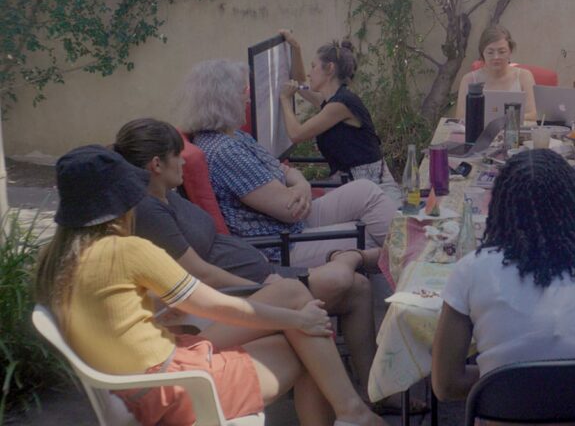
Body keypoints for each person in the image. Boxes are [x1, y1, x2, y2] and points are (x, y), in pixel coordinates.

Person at [34, 145, 386, 426]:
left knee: (293, 295)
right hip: (173, 390)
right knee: (308, 347)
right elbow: (217, 306)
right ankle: (353, 412)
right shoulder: (127, 251)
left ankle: (353, 412)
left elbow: (107, 313)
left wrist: (151, 313)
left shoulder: (54, 259)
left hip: (143, 377)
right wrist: (297, 322)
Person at [114, 117, 398, 411]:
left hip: (258, 276)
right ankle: (355, 409)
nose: (183, 163)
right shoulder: (149, 211)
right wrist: (259, 285)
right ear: (157, 165)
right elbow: (198, 273)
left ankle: (371, 395)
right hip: (241, 293)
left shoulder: (167, 197)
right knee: (316, 310)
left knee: (359, 288)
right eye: (177, 156)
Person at [431, 149, 575, 400]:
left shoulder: (471, 271)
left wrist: (504, 380)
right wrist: (557, 384)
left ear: (499, 206)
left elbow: (446, 385)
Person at [180, 59, 397, 264]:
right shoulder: (226, 152)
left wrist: (300, 183)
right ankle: (414, 272)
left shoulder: (234, 136)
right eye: (245, 92)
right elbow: (289, 209)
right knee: (373, 238)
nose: (249, 99)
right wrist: (296, 185)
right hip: (280, 243)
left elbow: (282, 169)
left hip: (294, 221)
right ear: (224, 99)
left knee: (366, 191)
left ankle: (414, 256)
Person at [278, 31, 401, 203]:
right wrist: (295, 47)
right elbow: (299, 83)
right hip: (351, 187)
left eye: (313, 67)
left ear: (329, 69)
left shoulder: (341, 105)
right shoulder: (331, 99)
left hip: (374, 191)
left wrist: (284, 99)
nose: (309, 73)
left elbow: (296, 134)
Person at [455, 24, 537, 121]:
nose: (496, 57)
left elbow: (533, 115)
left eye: (502, 52)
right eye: (490, 52)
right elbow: (460, 117)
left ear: (510, 51)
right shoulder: (469, 80)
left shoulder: (524, 77)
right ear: (482, 53)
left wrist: (501, 119)